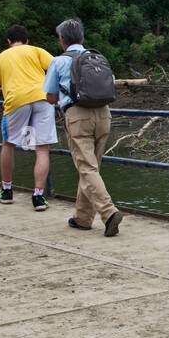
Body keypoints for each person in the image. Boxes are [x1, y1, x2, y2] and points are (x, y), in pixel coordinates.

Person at [42, 18, 124, 236]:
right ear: (82, 37)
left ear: (61, 39)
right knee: (91, 168)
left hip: (78, 116)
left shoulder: (59, 61)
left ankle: (108, 212)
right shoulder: (97, 58)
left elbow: (50, 96)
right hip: (104, 114)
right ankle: (83, 218)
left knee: (86, 168)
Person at [0, 24, 56, 211]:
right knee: (42, 148)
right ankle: (38, 197)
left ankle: (6, 191)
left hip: (16, 100)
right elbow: (56, 68)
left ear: (8, 41)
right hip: (43, 97)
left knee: (9, 144)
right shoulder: (37, 51)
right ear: (27, 40)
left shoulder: (0, 57)